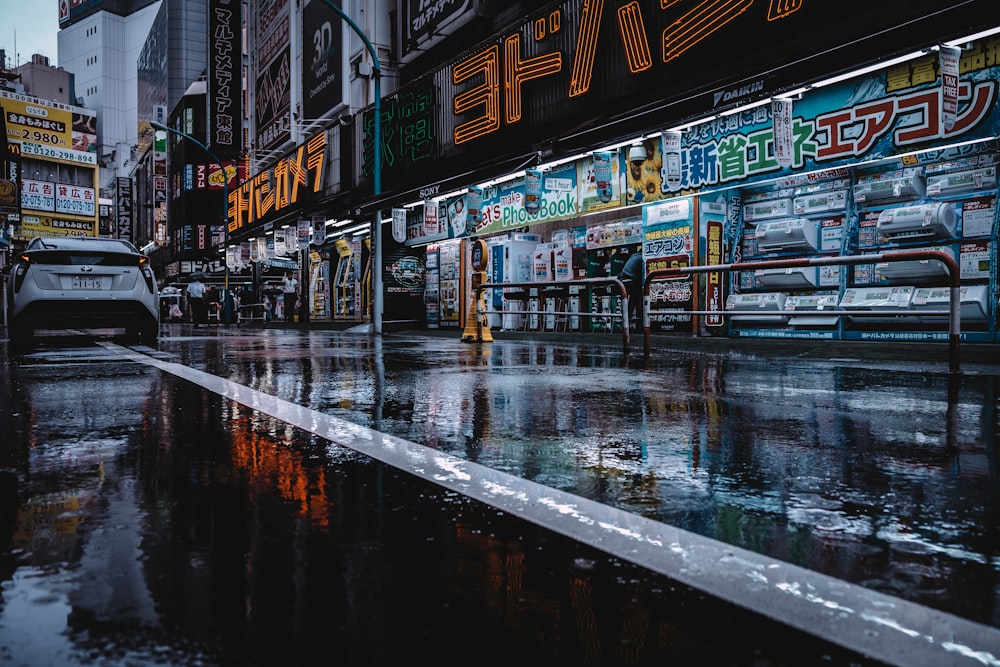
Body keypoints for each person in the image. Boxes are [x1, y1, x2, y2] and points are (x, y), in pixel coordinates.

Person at [617, 250, 644, 331]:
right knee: (636, 301)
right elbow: (643, 274)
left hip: (624, 280)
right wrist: (644, 285)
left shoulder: (634, 256)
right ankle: (642, 324)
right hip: (630, 281)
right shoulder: (641, 257)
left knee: (633, 301)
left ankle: (627, 324)